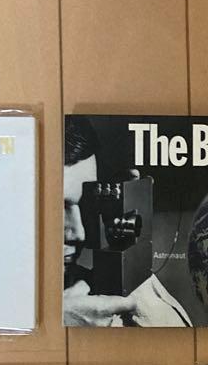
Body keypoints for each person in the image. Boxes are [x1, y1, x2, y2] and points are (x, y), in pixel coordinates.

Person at [63, 118, 190, 327]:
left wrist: (128, 257)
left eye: (86, 202)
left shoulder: (91, 296)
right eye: (57, 208)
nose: (79, 234)